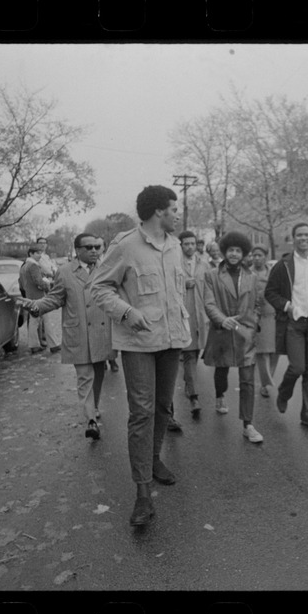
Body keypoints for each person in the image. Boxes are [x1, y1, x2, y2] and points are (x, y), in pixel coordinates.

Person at [90, 185, 191, 527]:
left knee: (164, 407)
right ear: (159, 212)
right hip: (138, 343)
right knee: (142, 413)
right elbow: (98, 287)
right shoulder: (126, 246)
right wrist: (127, 313)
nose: (178, 214)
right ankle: (142, 493)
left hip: (172, 340)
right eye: (174, 209)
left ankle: (154, 459)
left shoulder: (176, 246)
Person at [22, 234, 113, 440]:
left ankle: (94, 406)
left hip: (101, 331)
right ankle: (91, 419)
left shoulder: (107, 269)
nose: (93, 251)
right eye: (88, 247)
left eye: (96, 247)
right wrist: (36, 306)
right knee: (84, 376)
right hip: (77, 331)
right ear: (77, 250)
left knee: (98, 374)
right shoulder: (65, 272)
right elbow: (55, 298)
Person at [263, 222, 308, 432]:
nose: (303, 238)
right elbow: (270, 292)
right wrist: (287, 306)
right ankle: (284, 393)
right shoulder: (283, 264)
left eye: (307, 235)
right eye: (299, 235)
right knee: (297, 367)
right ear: (293, 239)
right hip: (293, 322)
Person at [202, 231, 264, 443]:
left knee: (248, 380)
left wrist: (253, 323)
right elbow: (209, 303)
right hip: (222, 332)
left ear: (244, 253)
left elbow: (257, 304)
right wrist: (221, 319)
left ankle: (248, 424)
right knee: (222, 369)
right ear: (225, 252)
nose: (235, 254)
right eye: (231, 250)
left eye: (238, 251)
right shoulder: (211, 275)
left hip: (245, 334)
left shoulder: (252, 277)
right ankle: (220, 396)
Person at [176, 229, 211, 418]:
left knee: (195, 353)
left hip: (200, 316)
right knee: (189, 354)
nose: (190, 247)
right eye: (186, 244)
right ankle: (194, 397)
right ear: (180, 246)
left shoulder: (203, 264)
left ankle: (189, 382)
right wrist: (183, 285)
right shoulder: (174, 264)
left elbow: (209, 290)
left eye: (192, 243)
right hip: (183, 315)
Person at [250, 246, 279, 398]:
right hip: (256, 316)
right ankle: (265, 384)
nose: (256, 258)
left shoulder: (273, 273)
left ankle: (268, 379)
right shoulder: (247, 273)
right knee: (262, 352)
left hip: (273, 314)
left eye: (259, 255)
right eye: (254, 255)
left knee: (274, 351)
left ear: (265, 257)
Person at [95, 236, 121, 373]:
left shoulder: (110, 259)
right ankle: (102, 360)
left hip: (110, 300)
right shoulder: (90, 263)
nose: (95, 250)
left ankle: (112, 359)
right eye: (93, 247)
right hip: (96, 303)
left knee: (110, 333)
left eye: (98, 246)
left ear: (104, 247)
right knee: (98, 334)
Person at [18, 245, 48, 354]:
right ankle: (34, 345)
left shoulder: (24, 266)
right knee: (36, 322)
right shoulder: (33, 266)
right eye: (38, 253)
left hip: (29, 296)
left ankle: (36, 343)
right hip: (37, 296)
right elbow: (39, 282)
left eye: (41, 253)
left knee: (34, 321)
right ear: (31, 253)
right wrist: (48, 286)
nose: (40, 255)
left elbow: (20, 283)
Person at [35, 236, 62, 353]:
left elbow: (53, 268)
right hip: (41, 288)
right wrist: (52, 272)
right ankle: (44, 341)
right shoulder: (37, 257)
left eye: (44, 243)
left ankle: (45, 339)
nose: (42, 245)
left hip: (48, 286)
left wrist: (53, 271)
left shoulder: (46, 256)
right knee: (42, 316)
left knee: (44, 316)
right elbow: (47, 270)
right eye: (40, 243)